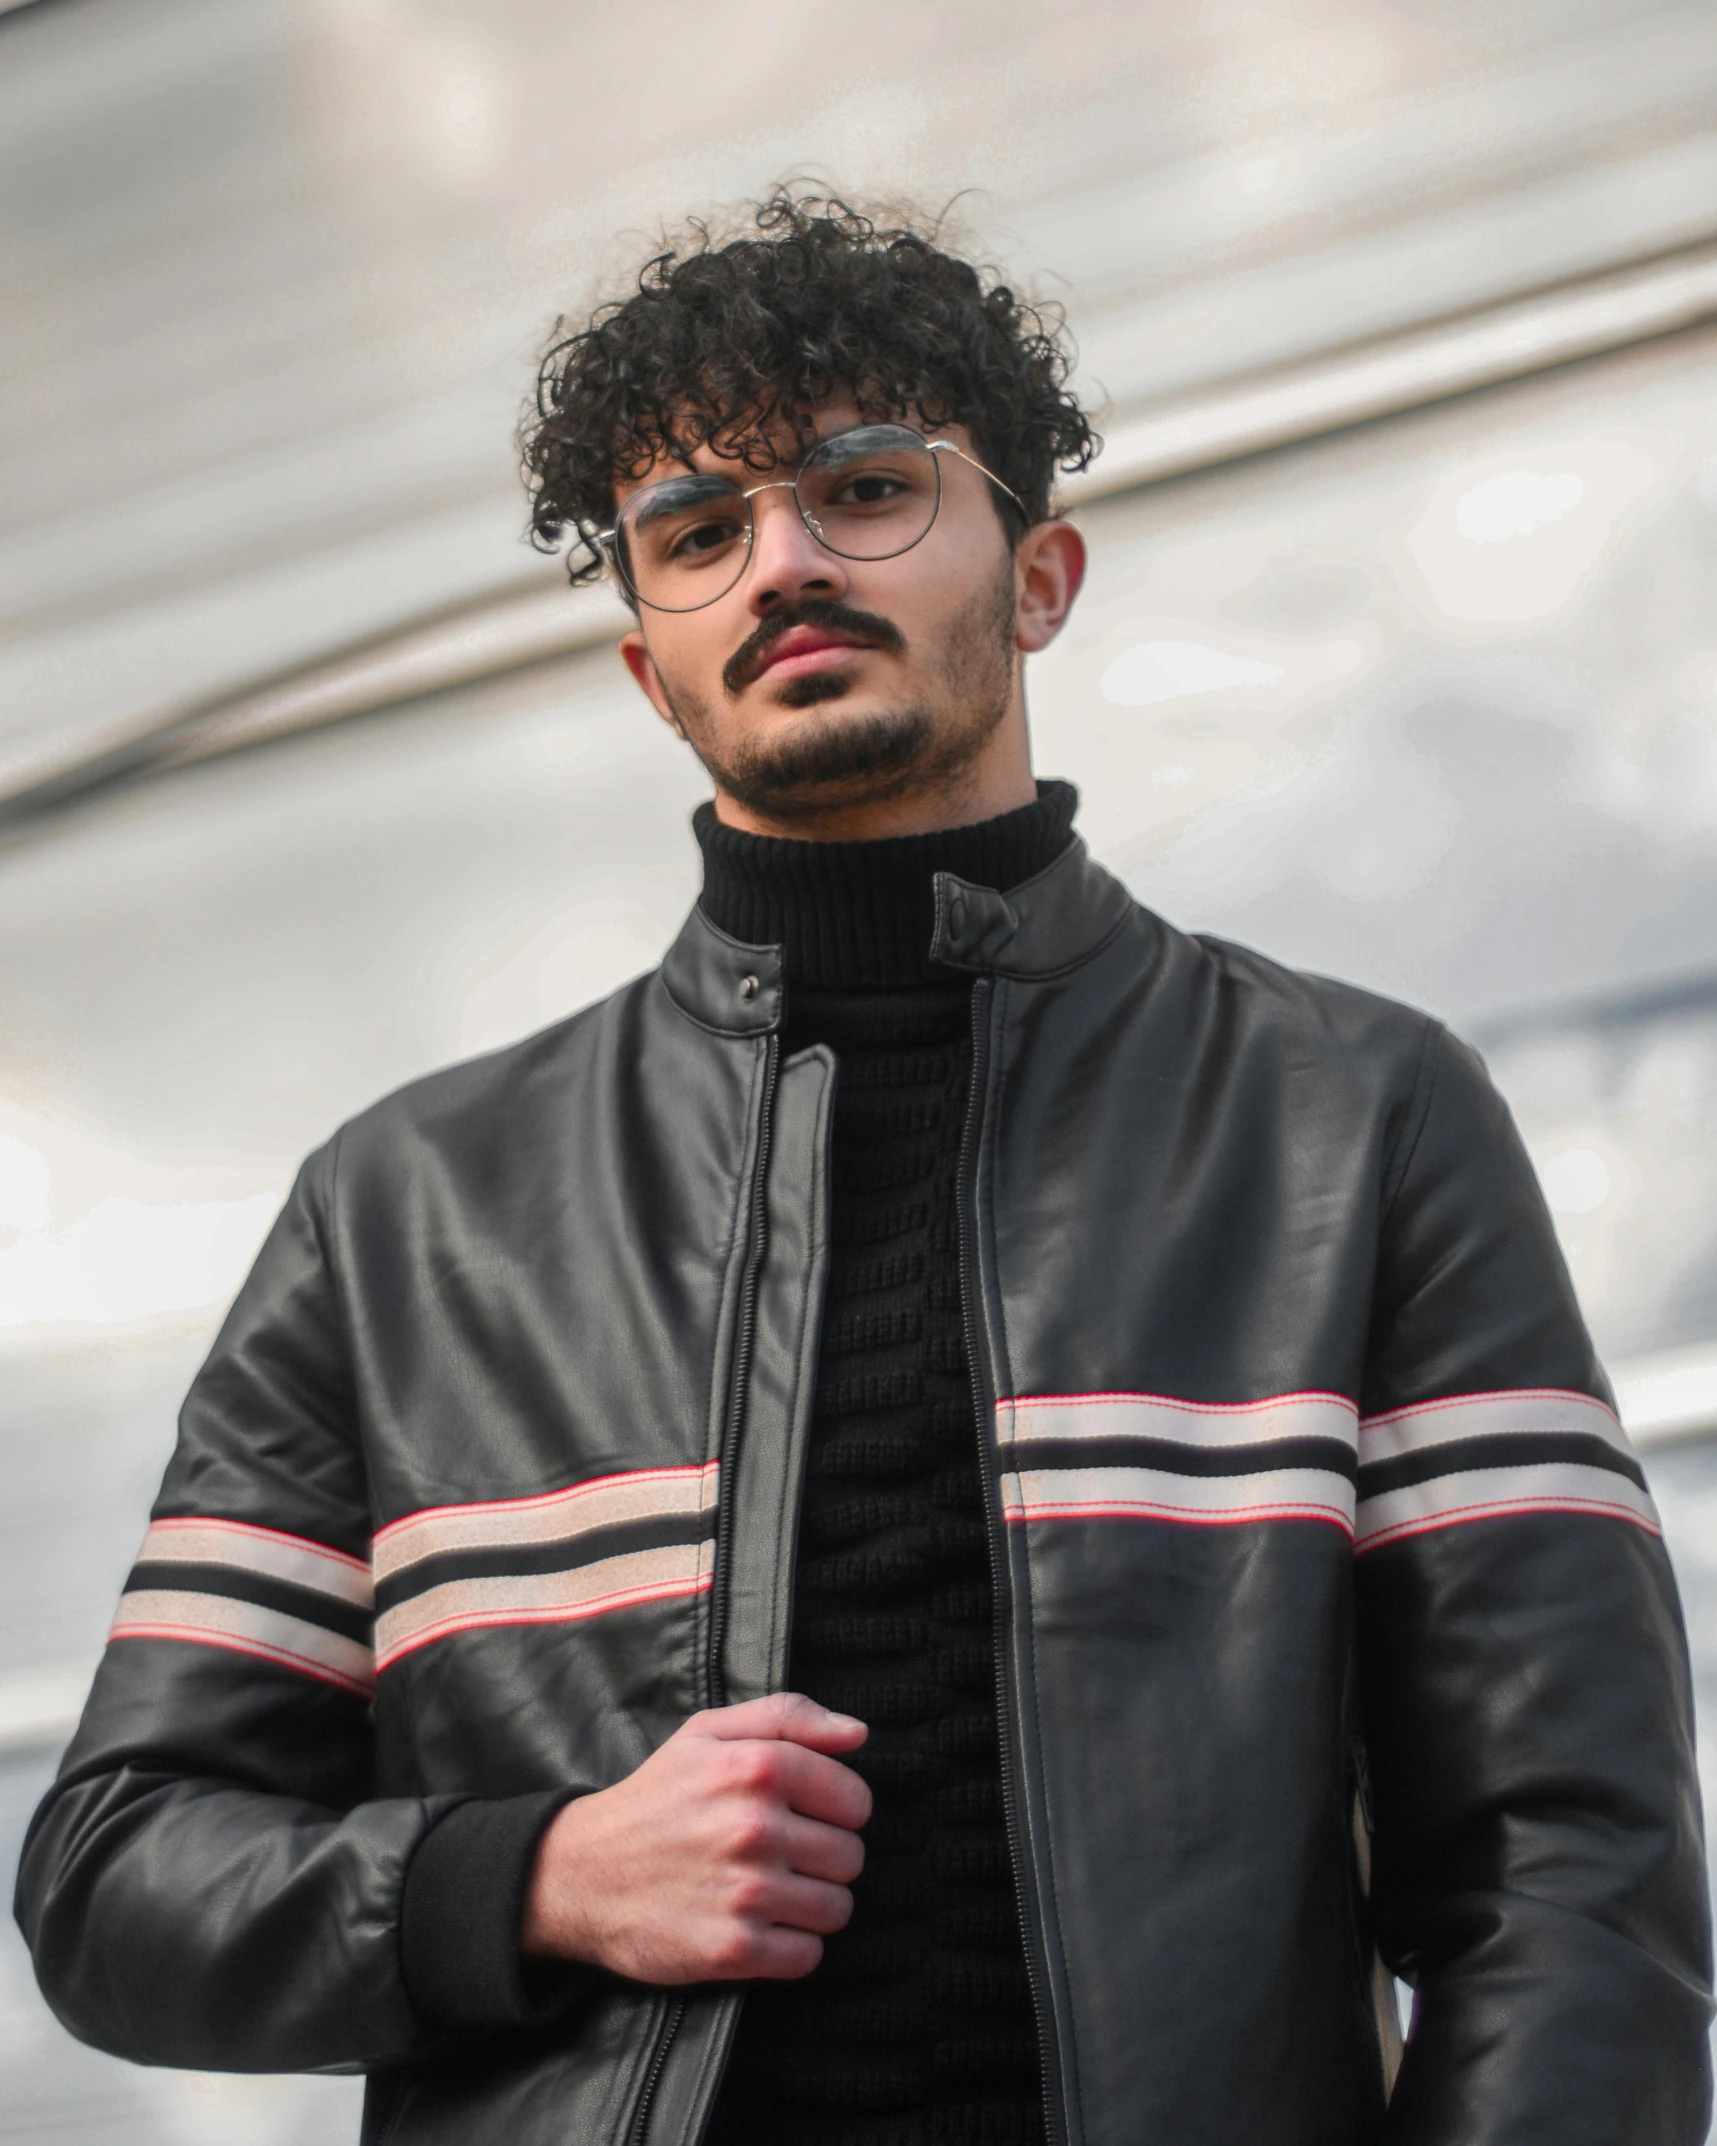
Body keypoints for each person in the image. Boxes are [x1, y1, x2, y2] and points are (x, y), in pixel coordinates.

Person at [15, 191, 1712, 2146]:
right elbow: (117, 1870)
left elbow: (1569, 1872)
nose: (786, 563)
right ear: (654, 667)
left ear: (1045, 571)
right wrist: (538, 1873)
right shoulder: (403, 1214)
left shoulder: (1356, 1116)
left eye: (867, 487)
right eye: (700, 531)